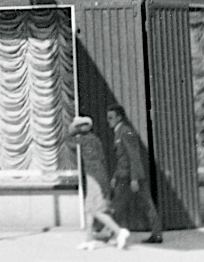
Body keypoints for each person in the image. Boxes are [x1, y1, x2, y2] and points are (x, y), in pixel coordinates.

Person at [67, 116, 129, 250]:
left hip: (94, 178)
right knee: (89, 209)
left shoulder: (84, 139)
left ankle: (119, 232)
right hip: (97, 177)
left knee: (96, 211)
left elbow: (68, 140)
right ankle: (89, 239)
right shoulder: (95, 139)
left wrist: (73, 128)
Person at [106, 104, 162, 244]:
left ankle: (110, 234)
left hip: (130, 177)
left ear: (119, 117)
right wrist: (114, 176)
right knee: (122, 205)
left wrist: (134, 178)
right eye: (108, 118)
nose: (109, 120)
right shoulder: (119, 132)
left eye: (111, 117)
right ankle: (156, 233)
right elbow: (122, 159)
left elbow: (134, 156)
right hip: (124, 175)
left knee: (118, 206)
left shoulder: (126, 131)